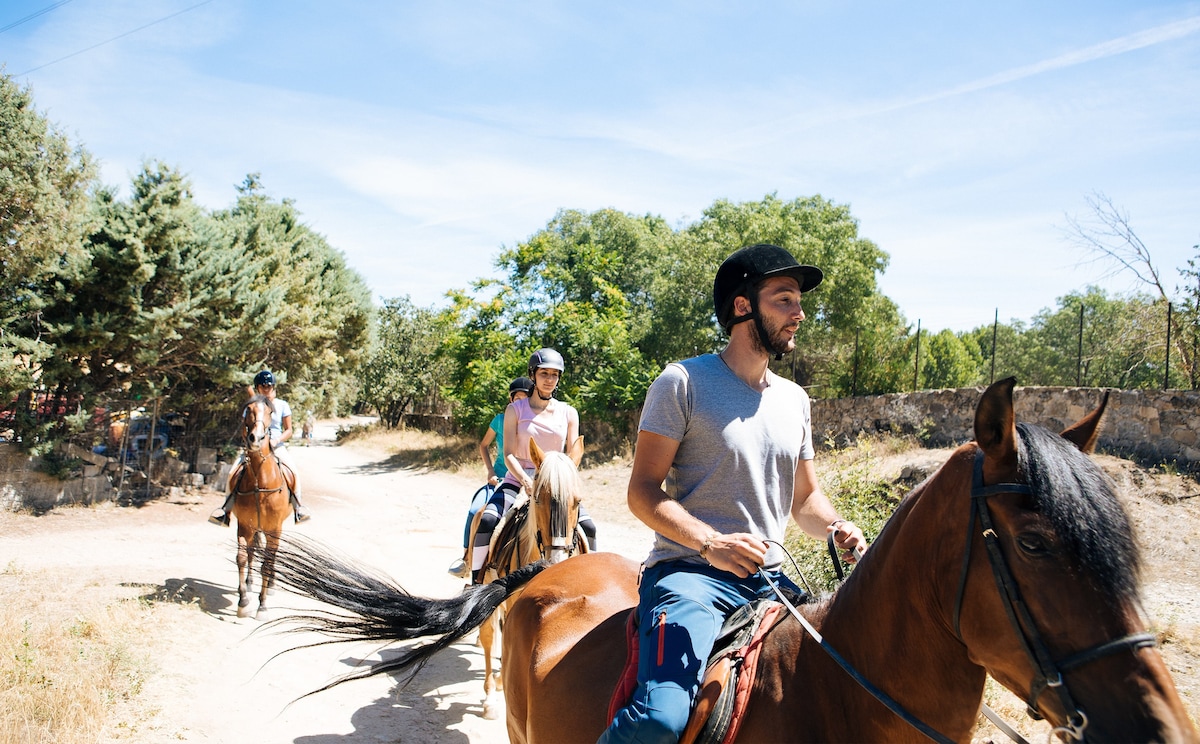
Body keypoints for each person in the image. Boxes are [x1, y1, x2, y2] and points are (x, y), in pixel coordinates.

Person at [598, 243, 867, 744]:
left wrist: (835, 528)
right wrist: (710, 544)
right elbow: (641, 491)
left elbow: (805, 499)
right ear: (743, 306)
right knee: (661, 721)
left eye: (799, 303)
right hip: (690, 576)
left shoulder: (795, 400)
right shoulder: (683, 382)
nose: (799, 314)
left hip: (772, 584)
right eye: (784, 300)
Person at [468, 348, 598, 584]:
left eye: (554, 375)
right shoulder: (515, 410)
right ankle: (476, 584)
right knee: (487, 520)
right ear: (533, 375)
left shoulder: (569, 413)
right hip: (518, 480)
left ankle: (592, 582)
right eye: (544, 373)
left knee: (589, 527)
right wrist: (527, 481)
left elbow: (571, 457)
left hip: (554, 484)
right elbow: (508, 454)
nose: (549, 379)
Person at [447, 376, 535, 579]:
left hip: (528, 480)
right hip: (501, 480)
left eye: (525, 398)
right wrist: (490, 471)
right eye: (517, 398)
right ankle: (467, 559)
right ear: (511, 398)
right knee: (475, 510)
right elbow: (483, 445)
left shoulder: (533, 420)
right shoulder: (500, 420)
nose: (520, 402)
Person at [208, 370, 311, 525]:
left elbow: (288, 430)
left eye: (269, 386)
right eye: (262, 386)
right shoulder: (251, 406)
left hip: (276, 447)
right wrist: (248, 441)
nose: (266, 388)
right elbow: (245, 428)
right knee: (232, 473)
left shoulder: (282, 405)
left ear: (273, 386)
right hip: (254, 446)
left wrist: (276, 441)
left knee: (293, 471)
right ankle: (225, 511)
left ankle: (298, 509)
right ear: (257, 388)